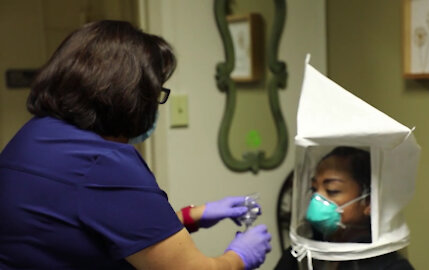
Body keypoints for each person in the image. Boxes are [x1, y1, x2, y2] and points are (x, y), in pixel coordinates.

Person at [0, 20, 271, 270]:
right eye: (156, 94)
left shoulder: (33, 136)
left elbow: (96, 227)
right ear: (130, 95)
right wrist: (240, 256)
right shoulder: (104, 163)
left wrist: (191, 216)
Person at [274, 146, 413, 269]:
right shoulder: (300, 254)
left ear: (369, 201)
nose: (317, 200)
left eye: (332, 190)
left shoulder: (392, 266)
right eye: (313, 189)